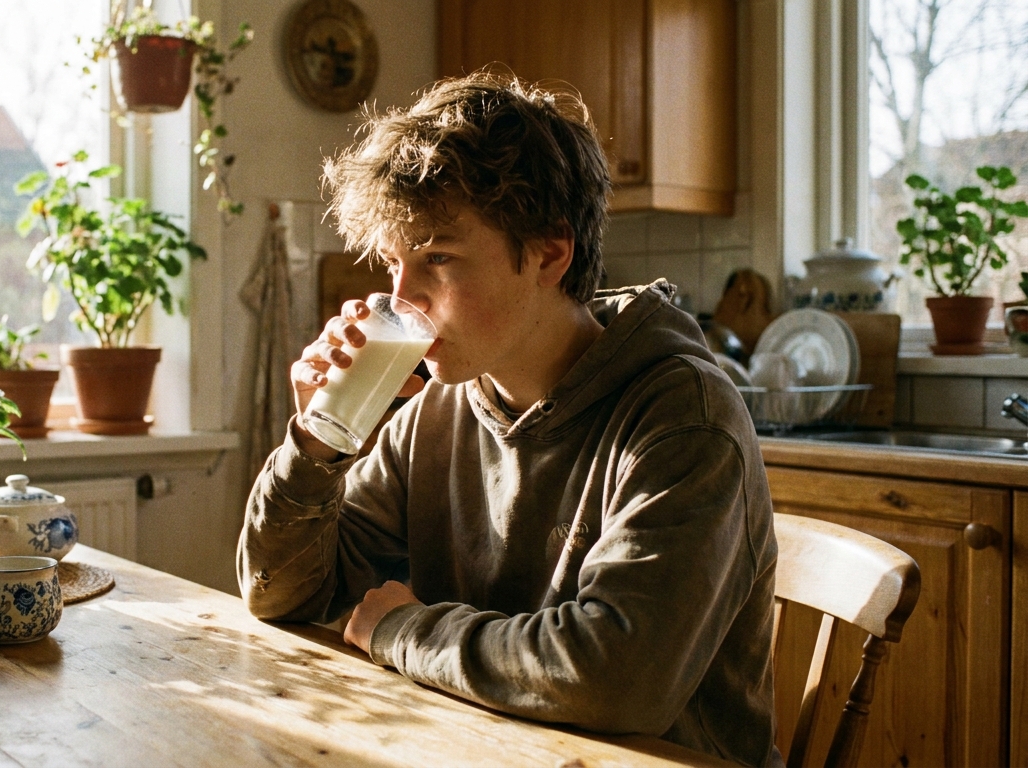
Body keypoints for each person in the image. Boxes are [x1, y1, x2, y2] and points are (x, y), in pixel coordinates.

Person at [237, 71, 778, 767]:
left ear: (550, 253)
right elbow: (281, 595)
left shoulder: (684, 420)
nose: (404, 299)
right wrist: (315, 446)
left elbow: (616, 680)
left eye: (438, 258)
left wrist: (403, 630)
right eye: (395, 263)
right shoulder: (436, 410)